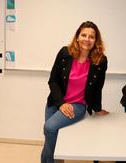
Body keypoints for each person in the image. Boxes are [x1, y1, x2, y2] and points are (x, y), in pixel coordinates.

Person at [41, 21, 109, 163]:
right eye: (83, 35)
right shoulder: (65, 53)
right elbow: (53, 81)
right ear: (77, 37)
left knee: (49, 128)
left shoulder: (100, 61)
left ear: (95, 40)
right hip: (55, 101)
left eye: (91, 36)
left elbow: (98, 87)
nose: (87, 39)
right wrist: (61, 103)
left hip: (78, 104)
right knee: (51, 137)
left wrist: (97, 109)